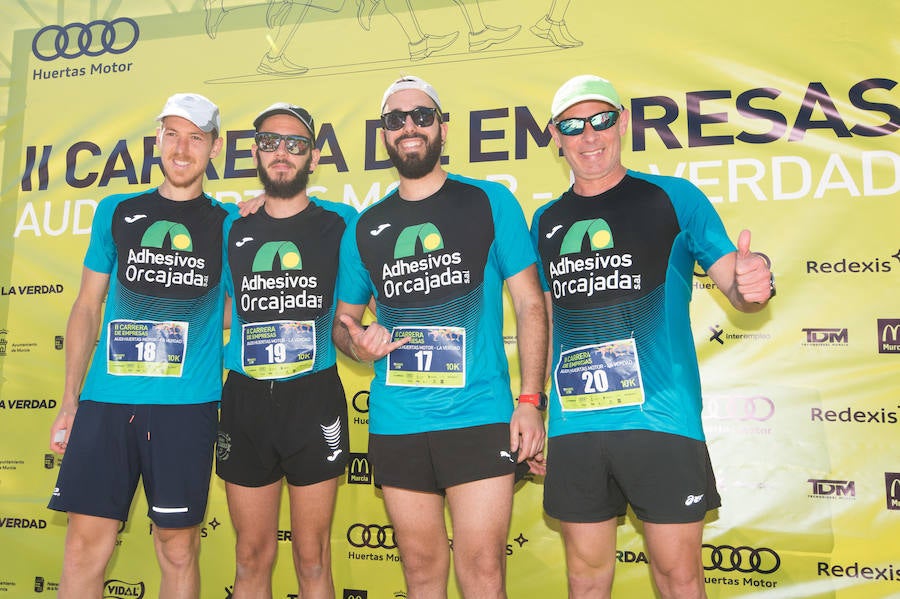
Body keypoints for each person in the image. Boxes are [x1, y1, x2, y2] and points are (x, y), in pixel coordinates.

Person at [530, 74, 776, 599]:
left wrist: (751, 279)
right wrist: (540, 411)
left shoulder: (674, 197)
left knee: (678, 578)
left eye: (600, 120)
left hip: (660, 419)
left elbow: (734, 279)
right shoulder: (545, 220)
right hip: (576, 428)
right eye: (573, 125)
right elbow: (550, 323)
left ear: (621, 122)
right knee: (585, 579)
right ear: (555, 135)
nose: (589, 136)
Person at [332, 75, 548, 599]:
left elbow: (531, 305)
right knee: (422, 574)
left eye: (422, 116)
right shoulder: (367, 226)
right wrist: (357, 341)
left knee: (483, 573)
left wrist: (530, 402)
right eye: (395, 119)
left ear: (443, 129)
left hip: (479, 417)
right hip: (397, 422)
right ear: (384, 135)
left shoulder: (490, 202)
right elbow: (342, 322)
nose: (409, 126)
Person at [48, 93, 236, 599]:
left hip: (185, 407)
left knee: (177, 549)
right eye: (172, 134)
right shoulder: (117, 210)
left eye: (196, 137)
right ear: (157, 141)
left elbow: (246, 306)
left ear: (213, 148)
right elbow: (87, 307)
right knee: (85, 546)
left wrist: (193, 324)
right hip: (106, 403)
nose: (182, 148)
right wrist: (70, 399)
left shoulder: (231, 222)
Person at [216, 102, 353, 598]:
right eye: (271, 142)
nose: (282, 153)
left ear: (312, 158)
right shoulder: (230, 224)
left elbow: (365, 302)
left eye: (295, 144)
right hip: (246, 400)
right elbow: (224, 309)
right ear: (255, 152)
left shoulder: (343, 223)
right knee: (251, 556)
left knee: (312, 557)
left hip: (312, 397)